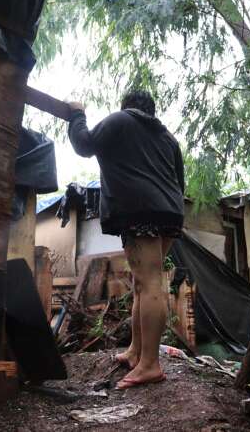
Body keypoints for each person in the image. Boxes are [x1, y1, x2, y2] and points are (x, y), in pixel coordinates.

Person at [67, 91, 185, 389]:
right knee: (144, 285)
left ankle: (150, 365)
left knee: (150, 283)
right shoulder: (169, 139)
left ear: (127, 107)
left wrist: (77, 114)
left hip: (141, 211)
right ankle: (136, 351)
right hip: (169, 213)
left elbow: (84, 144)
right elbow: (179, 182)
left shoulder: (120, 120)